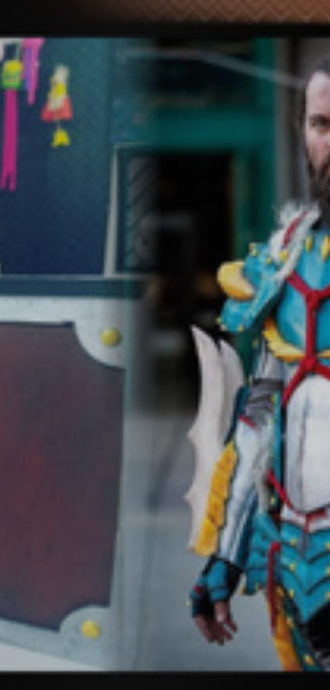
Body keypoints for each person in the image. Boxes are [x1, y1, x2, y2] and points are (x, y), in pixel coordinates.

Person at [192, 58, 330, 670]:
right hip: (291, 563)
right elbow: (258, 419)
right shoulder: (283, 259)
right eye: (322, 124)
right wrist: (224, 558)